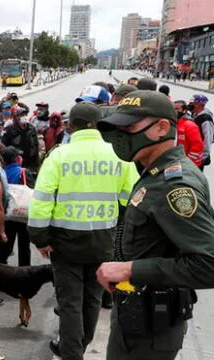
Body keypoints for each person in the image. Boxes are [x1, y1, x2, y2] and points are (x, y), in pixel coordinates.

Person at [96, 90, 214, 360]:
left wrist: (129, 268)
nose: (121, 135)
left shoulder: (175, 186)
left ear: (162, 127)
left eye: (129, 127)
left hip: (150, 330)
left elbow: (209, 264)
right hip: (136, 317)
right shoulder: (152, 172)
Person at [28, 101, 138, 359]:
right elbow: (130, 197)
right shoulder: (118, 155)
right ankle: (80, 343)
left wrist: (40, 238)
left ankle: (71, 352)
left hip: (64, 244)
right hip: (103, 241)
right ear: (99, 124)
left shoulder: (59, 155)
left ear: (70, 125)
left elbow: (41, 201)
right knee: (92, 298)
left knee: (69, 303)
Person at [0, 146, 34, 266]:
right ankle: (24, 272)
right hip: (23, 214)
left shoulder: (0, 173)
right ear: (17, 159)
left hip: (7, 214)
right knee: (24, 245)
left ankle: (2, 268)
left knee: (6, 244)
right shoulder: (23, 172)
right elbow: (32, 191)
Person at [2, 107, 40, 171]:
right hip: (17, 163)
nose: (24, 117)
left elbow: (36, 145)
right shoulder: (9, 129)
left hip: (31, 163)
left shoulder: (32, 128)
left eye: (25, 115)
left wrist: (37, 164)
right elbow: (4, 146)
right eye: (21, 115)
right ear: (16, 117)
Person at [174, 100, 203, 168]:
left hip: (186, 165)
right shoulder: (172, 123)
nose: (174, 111)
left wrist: (187, 164)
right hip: (174, 161)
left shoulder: (190, 126)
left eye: (177, 109)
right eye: (173, 108)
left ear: (184, 110)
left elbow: (197, 147)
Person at [189, 94, 213, 170]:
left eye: (193, 103)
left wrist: (204, 155)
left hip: (200, 155)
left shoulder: (205, 119)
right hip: (193, 152)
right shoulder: (194, 114)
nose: (190, 105)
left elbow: (208, 138)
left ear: (199, 105)